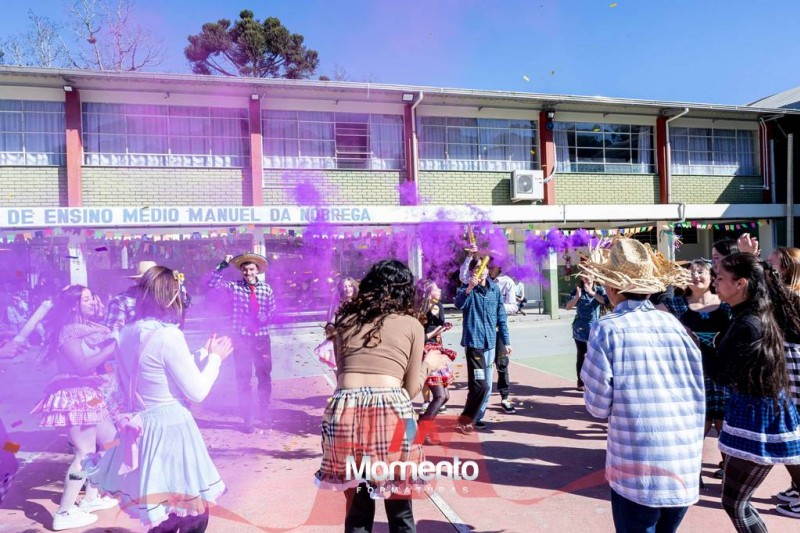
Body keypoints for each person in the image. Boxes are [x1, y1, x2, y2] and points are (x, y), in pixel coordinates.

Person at [86, 266, 233, 532]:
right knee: (193, 513)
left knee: (164, 510)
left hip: (143, 427)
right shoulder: (169, 335)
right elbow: (197, 392)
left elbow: (152, 373)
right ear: (170, 297)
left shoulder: (124, 333)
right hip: (171, 429)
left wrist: (202, 353)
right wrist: (215, 359)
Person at [579, 237, 705, 533]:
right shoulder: (675, 325)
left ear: (612, 288)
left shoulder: (607, 329)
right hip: (683, 460)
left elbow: (597, 406)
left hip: (638, 466)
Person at [314, 260, 449, 533]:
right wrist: (429, 364)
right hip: (393, 410)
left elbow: (342, 375)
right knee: (400, 509)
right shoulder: (411, 324)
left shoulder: (346, 320)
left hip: (344, 409)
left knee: (357, 509)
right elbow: (410, 390)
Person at [706, 253, 800, 527]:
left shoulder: (749, 323)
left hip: (759, 418)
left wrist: (693, 343)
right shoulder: (749, 314)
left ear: (741, 284)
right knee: (735, 502)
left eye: (720, 278)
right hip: (758, 410)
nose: (714, 283)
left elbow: (721, 374)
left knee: (735, 502)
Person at [34, 285, 119, 531]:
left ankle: (90, 498)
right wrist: (111, 348)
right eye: (86, 299)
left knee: (111, 442)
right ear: (74, 305)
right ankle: (64, 512)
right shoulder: (68, 331)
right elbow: (82, 367)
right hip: (75, 396)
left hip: (90, 395)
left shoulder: (86, 328)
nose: (92, 302)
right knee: (84, 452)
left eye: (92, 297)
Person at [208, 252, 275, 434]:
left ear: (257, 270)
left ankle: (264, 413)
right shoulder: (234, 287)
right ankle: (248, 417)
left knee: (264, 377)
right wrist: (223, 264)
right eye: (245, 269)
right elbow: (212, 284)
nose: (248, 272)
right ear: (241, 271)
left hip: (261, 338)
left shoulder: (266, 289)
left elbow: (273, 311)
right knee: (243, 378)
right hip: (241, 339)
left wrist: (266, 316)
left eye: (251, 269)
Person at [455, 256, 512, 433]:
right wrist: (469, 288)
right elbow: (458, 304)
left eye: (484, 267)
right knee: (479, 384)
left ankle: (477, 417)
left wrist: (506, 341)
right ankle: (466, 418)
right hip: (475, 344)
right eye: (478, 268)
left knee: (487, 384)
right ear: (472, 271)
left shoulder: (494, 290)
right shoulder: (467, 288)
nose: (482, 270)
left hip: (491, 343)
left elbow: (501, 317)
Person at [768, 247, 800, 505]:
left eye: (772, 264)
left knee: (792, 426)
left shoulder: (790, 294)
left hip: (792, 359)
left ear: (786, 268)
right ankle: (796, 486)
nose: (768, 268)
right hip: (789, 356)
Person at [416, 280, 457, 443]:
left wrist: (442, 328)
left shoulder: (438, 305)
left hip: (437, 350)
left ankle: (423, 423)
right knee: (440, 395)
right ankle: (424, 430)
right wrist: (438, 331)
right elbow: (422, 336)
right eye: (436, 288)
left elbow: (436, 328)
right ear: (428, 292)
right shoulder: (422, 309)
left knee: (444, 396)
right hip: (428, 352)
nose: (440, 290)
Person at [564, 274, 609, 391]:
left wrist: (592, 293)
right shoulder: (577, 290)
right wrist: (576, 297)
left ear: (594, 277)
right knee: (581, 354)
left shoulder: (599, 290)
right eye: (584, 276)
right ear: (581, 278)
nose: (587, 278)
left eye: (589, 275)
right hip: (580, 327)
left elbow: (606, 301)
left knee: (596, 355)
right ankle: (580, 381)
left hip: (595, 328)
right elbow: (567, 307)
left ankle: (595, 380)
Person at [487, 260, 520, 414]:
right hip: (483, 328)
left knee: (502, 363)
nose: (488, 268)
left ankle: (505, 397)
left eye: (491, 265)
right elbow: (464, 277)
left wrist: (495, 306)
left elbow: (513, 307)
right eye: (487, 265)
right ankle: (479, 399)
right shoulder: (482, 279)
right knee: (482, 365)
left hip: (499, 328)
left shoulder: (507, 282)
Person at [317, 277, 359, 369]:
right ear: (341, 289)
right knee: (339, 367)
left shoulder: (359, 303)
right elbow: (331, 320)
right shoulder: (338, 303)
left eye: (350, 286)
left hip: (355, 339)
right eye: (345, 286)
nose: (348, 289)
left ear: (354, 287)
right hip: (340, 339)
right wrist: (331, 328)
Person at [105, 261, 157, 332]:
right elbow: (112, 333)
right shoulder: (121, 301)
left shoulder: (161, 302)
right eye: (148, 280)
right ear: (137, 281)